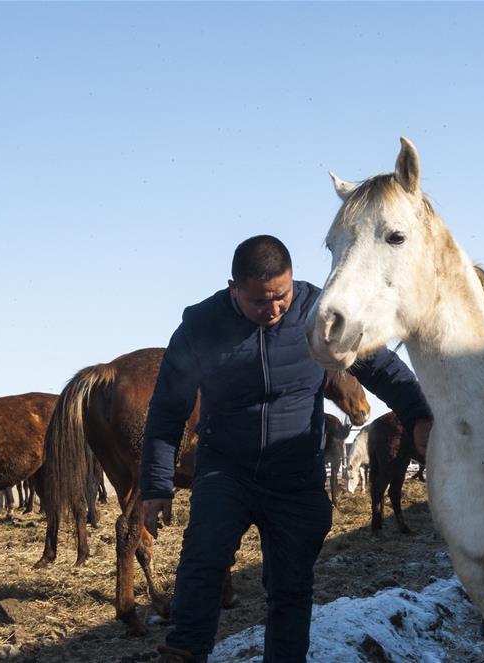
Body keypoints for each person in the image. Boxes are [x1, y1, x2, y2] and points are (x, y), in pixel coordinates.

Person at [141, 235, 432, 663]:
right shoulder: (201, 327)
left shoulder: (320, 313)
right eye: (260, 300)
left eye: (282, 295)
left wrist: (420, 415)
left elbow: (382, 367)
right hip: (227, 469)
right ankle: (184, 654)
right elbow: (167, 409)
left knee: (291, 588)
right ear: (233, 288)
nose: (274, 309)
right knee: (202, 563)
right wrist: (156, 484)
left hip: (296, 477)